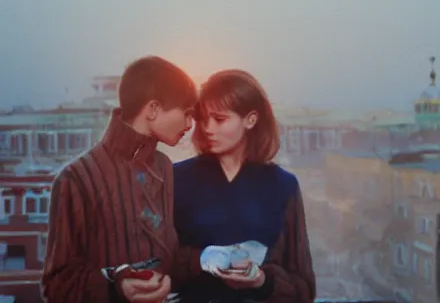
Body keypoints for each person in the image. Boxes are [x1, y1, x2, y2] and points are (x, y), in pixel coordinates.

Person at [42, 56, 208, 302]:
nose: (189, 124)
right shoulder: (75, 178)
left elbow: (167, 257)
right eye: (186, 113)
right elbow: (57, 285)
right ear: (153, 109)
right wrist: (115, 288)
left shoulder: (163, 167)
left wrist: (207, 258)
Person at [173, 69, 316, 302]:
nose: (208, 128)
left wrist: (262, 280)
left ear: (250, 119)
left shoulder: (283, 186)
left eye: (219, 119)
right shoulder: (177, 179)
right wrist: (201, 259)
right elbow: (158, 263)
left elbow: (304, 288)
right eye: (203, 118)